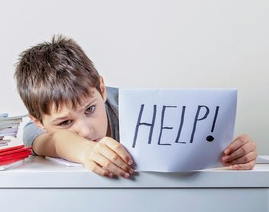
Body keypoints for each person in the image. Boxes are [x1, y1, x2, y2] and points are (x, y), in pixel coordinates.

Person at [14, 35, 257, 178]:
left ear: (102, 89)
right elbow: (49, 141)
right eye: (66, 122)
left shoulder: (133, 109)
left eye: (90, 110)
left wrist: (233, 153)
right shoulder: (33, 128)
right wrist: (86, 151)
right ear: (39, 121)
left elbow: (196, 148)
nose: (86, 131)